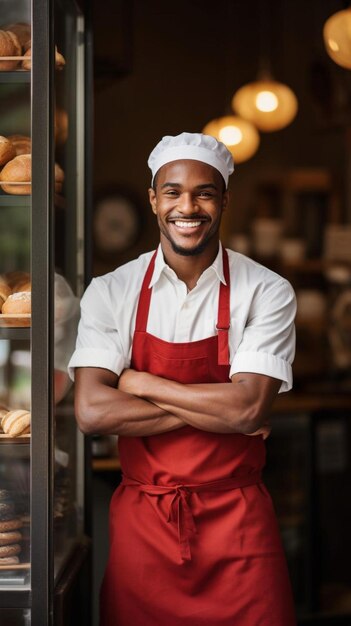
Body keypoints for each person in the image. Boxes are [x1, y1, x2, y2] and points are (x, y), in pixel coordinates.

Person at [68, 132, 297, 626]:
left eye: (204, 192)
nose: (187, 206)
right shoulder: (112, 291)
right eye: (172, 191)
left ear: (224, 201)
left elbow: (247, 409)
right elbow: (91, 412)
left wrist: (140, 382)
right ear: (153, 200)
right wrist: (224, 408)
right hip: (144, 528)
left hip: (238, 526)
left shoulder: (267, 291)